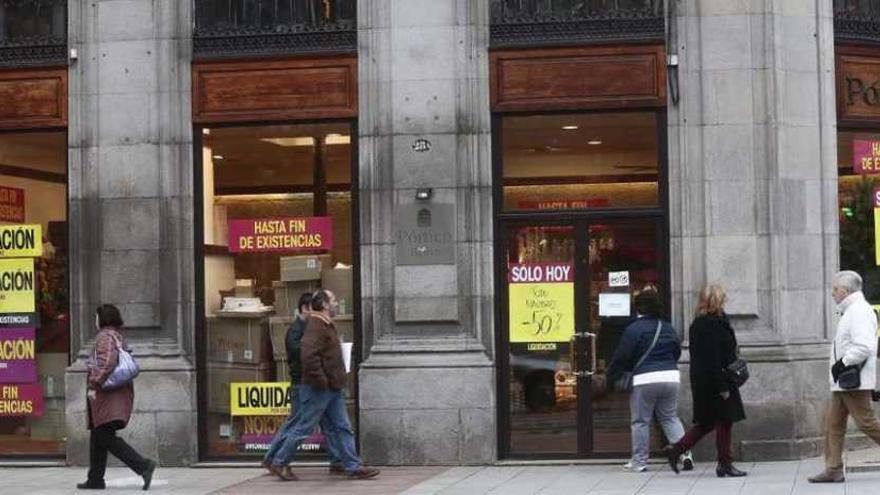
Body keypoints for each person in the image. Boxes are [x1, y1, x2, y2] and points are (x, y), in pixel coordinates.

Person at [267, 289, 379, 481]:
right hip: (320, 388)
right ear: (325, 305)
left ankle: (353, 466)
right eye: (334, 300)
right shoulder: (317, 325)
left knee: (342, 426)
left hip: (331, 388)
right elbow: (308, 356)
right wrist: (322, 381)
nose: (336, 303)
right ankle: (280, 461)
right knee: (303, 427)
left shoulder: (324, 324)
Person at [663, 284, 747, 477]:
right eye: (722, 299)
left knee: (708, 422)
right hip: (718, 380)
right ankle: (724, 463)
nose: (724, 302)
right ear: (716, 301)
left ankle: (676, 450)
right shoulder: (710, 325)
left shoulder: (703, 322)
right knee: (724, 421)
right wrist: (722, 387)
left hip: (707, 380)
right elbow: (713, 358)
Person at [607, 286, 693, 472]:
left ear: (639, 308)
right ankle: (685, 454)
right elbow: (676, 351)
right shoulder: (668, 327)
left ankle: (639, 462)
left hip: (644, 379)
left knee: (640, 421)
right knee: (670, 417)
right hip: (671, 376)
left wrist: (611, 375)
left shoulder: (634, 329)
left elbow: (622, 356)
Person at [808, 271, 880, 483]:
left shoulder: (859, 312)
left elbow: (864, 346)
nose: (832, 293)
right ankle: (833, 469)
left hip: (852, 380)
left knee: (866, 422)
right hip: (845, 381)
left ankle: (833, 469)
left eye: (835, 289)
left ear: (845, 291)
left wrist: (842, 364)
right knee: (833, 424)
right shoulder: (851, 311)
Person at [263, 292, 344, 474]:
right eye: (312, 309)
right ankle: (274, 459)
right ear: (305, 309)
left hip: (314, 384)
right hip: (302, 384)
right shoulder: (297, 330)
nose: (315, 314)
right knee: (297, 424)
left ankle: (337, 459)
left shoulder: (310, 327)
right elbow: (303, 357)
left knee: (328, 424)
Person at [77, 304, 156, 490]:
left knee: (104, 436)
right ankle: (95, 479)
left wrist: (94, 382)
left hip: (108, 396)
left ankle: (143, 465)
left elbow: (106, 363)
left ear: (102, 318)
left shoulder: (105, 337)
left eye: (96, 316)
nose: (94, 320)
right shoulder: (116, 335)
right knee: (99, 435)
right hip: (114, 395)